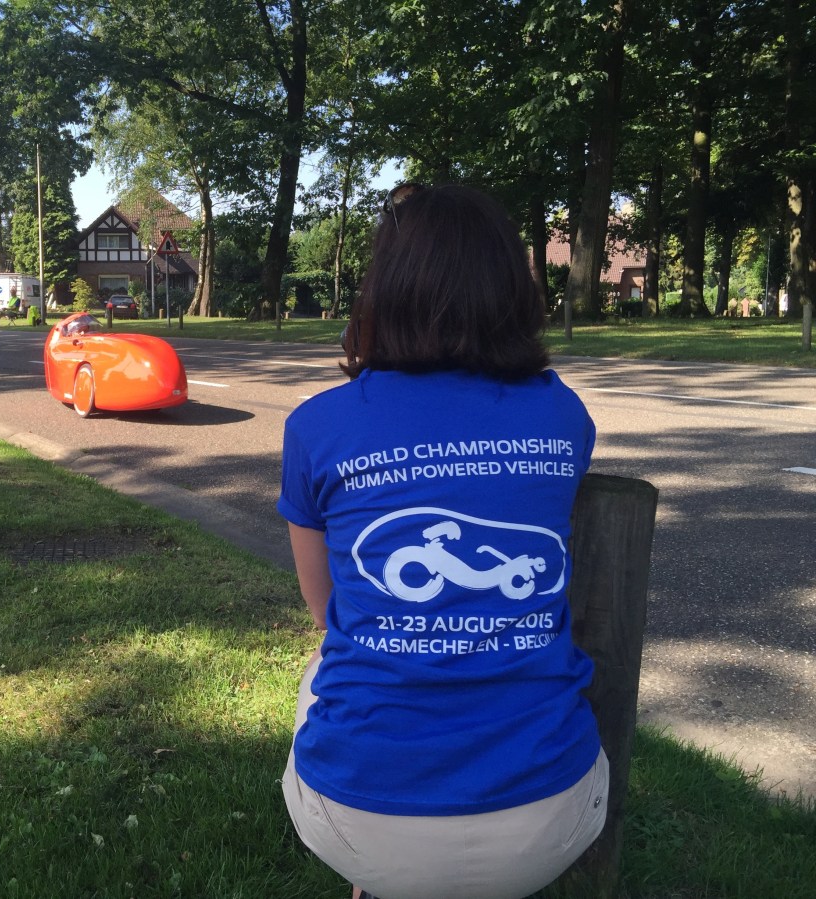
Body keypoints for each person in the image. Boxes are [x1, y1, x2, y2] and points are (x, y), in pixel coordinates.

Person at [277, 184, 607, 899]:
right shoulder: (561, 414)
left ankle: (376, 881)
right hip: (549, 813)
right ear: (511, 289)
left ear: (384, 288)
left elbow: (325, 609)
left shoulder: (318, 425)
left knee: (321, 663)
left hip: (363, 817)